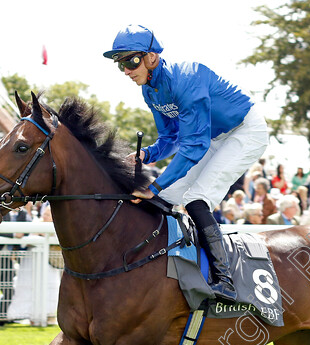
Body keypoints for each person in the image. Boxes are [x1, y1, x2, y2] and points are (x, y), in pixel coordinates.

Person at [105, 25, 268, 301]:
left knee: (195, 198)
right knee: (165, 198)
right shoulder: (150, 91)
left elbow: (194, 145)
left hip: (245, 131)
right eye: (120, 64)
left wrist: (154, 186)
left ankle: (224, 280)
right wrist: (148, 154)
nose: (127, 70)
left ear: (152, 57)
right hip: (213, 137)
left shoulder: (188, 79)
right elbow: (171, 137)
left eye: (131, 61)